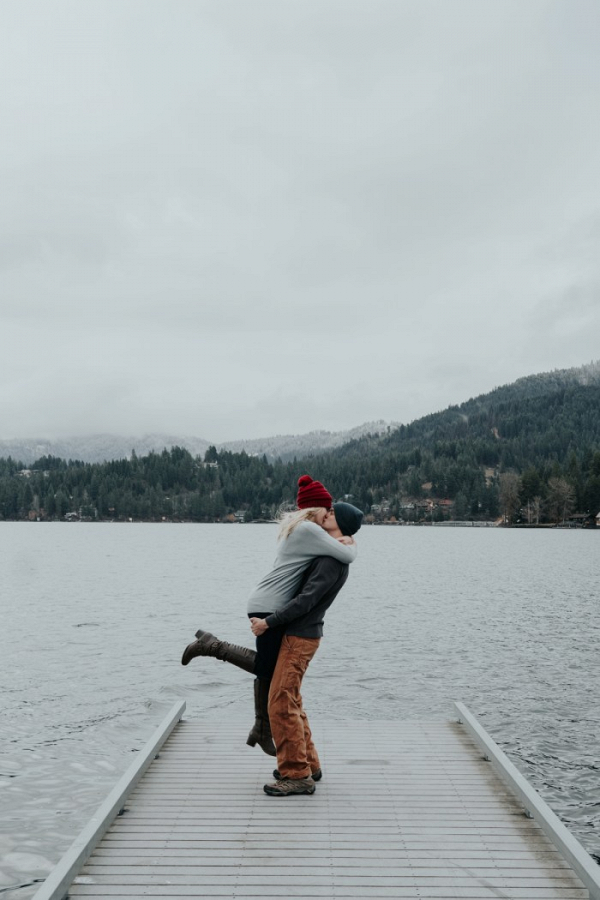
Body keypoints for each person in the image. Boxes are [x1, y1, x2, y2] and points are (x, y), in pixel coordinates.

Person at [181, 475, 358, 756]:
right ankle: (212, 646)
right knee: (267, 668)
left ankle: (261, 727)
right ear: (316, 508)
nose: (330, 512)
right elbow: (347, 556)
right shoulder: (310, 532)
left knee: (268, 669)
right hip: (271, 605)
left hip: (268, 601)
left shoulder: (306, 530)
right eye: (328, 507)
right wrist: (351, 541)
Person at [253, 500, 363, 796]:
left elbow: (305, 601)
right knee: (292, 700)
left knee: (280, 702)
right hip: (303, 634)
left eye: (332, 512)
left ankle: (296, 774)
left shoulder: (331, 560)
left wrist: (270, 622)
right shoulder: (331, 550)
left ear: (339, 521)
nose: (326, 513)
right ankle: (309, 764)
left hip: (301, 636)